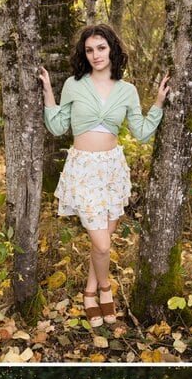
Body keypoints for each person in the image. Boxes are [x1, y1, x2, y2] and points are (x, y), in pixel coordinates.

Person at [41, 23, 169, 328]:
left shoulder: (127, 90)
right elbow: (58, 127)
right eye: (89, 49)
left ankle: (88, 292)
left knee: (103, 241)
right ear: (84, 54)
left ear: (112, 49)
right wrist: (48, 92)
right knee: (101, 244)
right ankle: (105, 288)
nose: (96, 54)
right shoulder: (74, 84)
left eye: (101, 47)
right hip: (83, 170)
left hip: (113, 170)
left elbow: (140, 132)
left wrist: (159, 104)